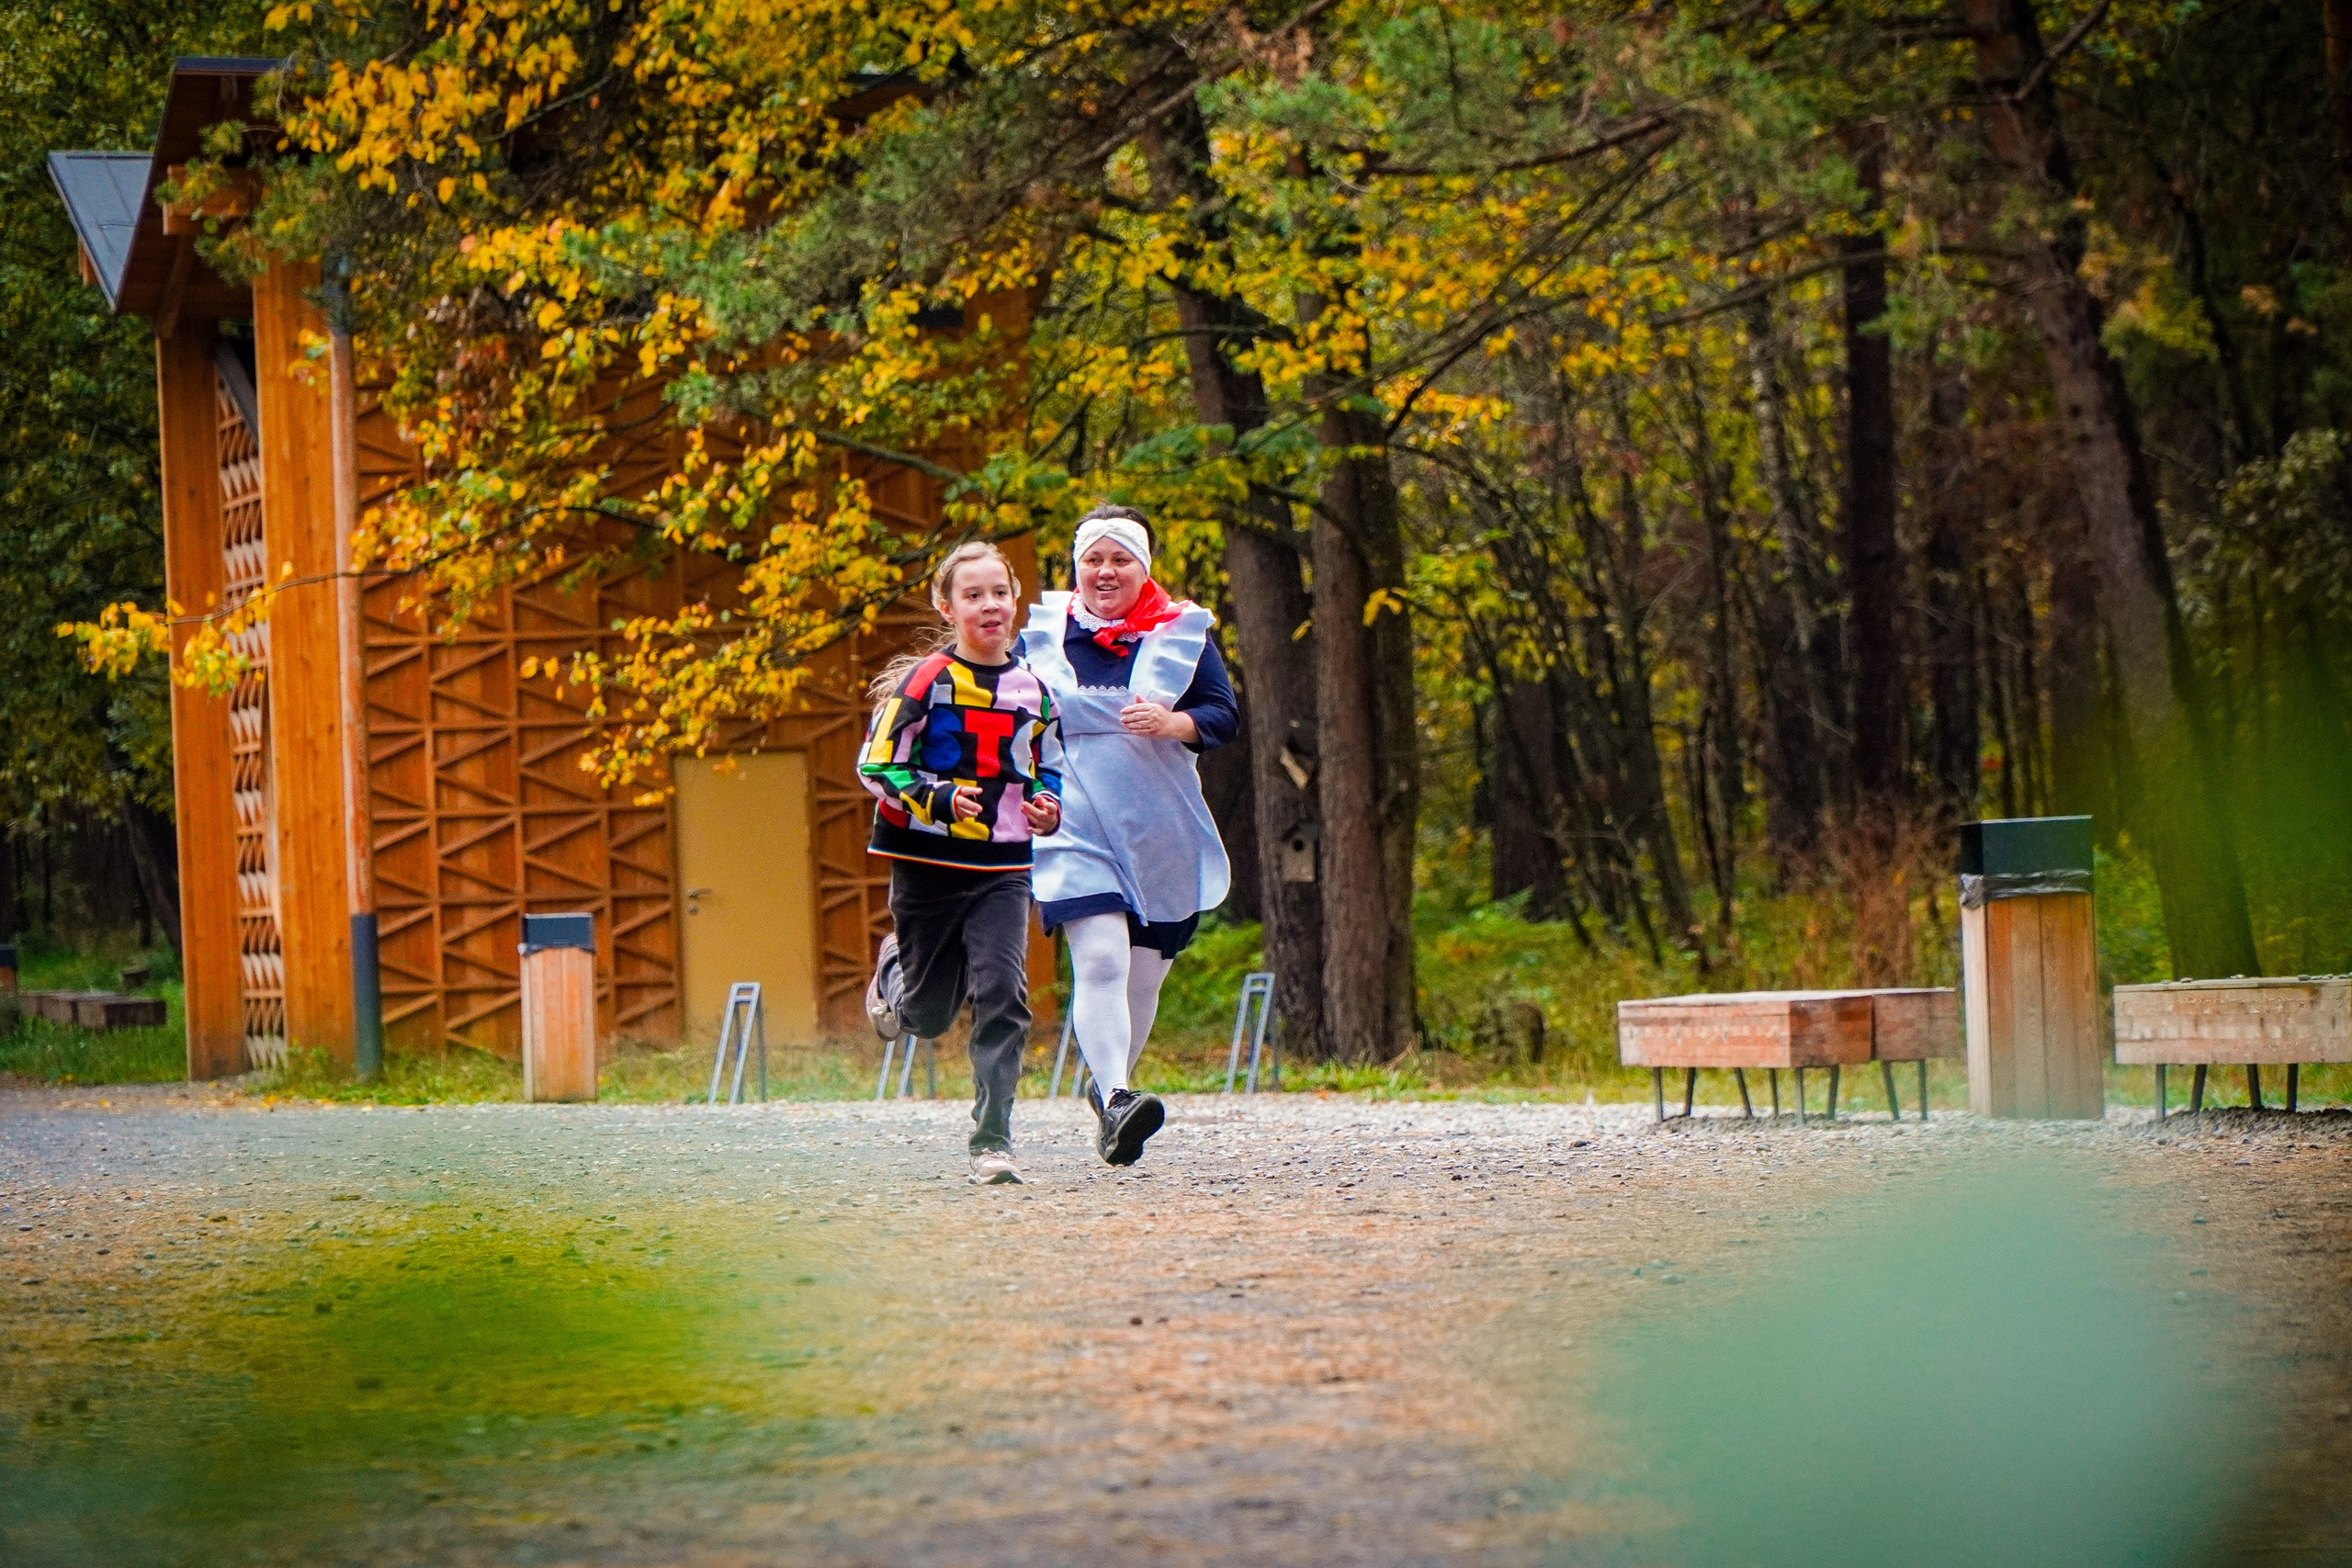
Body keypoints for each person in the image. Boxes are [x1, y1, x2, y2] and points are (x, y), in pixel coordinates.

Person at [1019, 504, 1238, 1168]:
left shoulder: (1183, 634)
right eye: (1094, 558)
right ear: (1076, 566)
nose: (1105, 571)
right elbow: (1000, 723)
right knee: (1104, 960)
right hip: (1070, 823)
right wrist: (1027, 793)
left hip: (1158, 830)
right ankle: (1118, 1095)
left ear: (1144, 568)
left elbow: (1223, 715)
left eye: (1121, 559)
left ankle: (1110, 1095)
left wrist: (1174, 724)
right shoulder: (1036, 635)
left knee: (1142, 979)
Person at [858, 541, 1062, 1185]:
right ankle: (894, 967)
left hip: (1002, 867)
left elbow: (1045, 765)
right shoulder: (928, 680)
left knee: (1004, 992)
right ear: (947, 606)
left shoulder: (1034, 689)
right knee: (927, 1016)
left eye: (999, 592)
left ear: (1015, 600)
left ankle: (992, 1139)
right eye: (973, 595)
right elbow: (877, 764)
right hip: (926, 862)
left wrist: (1046, 804)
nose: (989, 605)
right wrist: (937, 796)